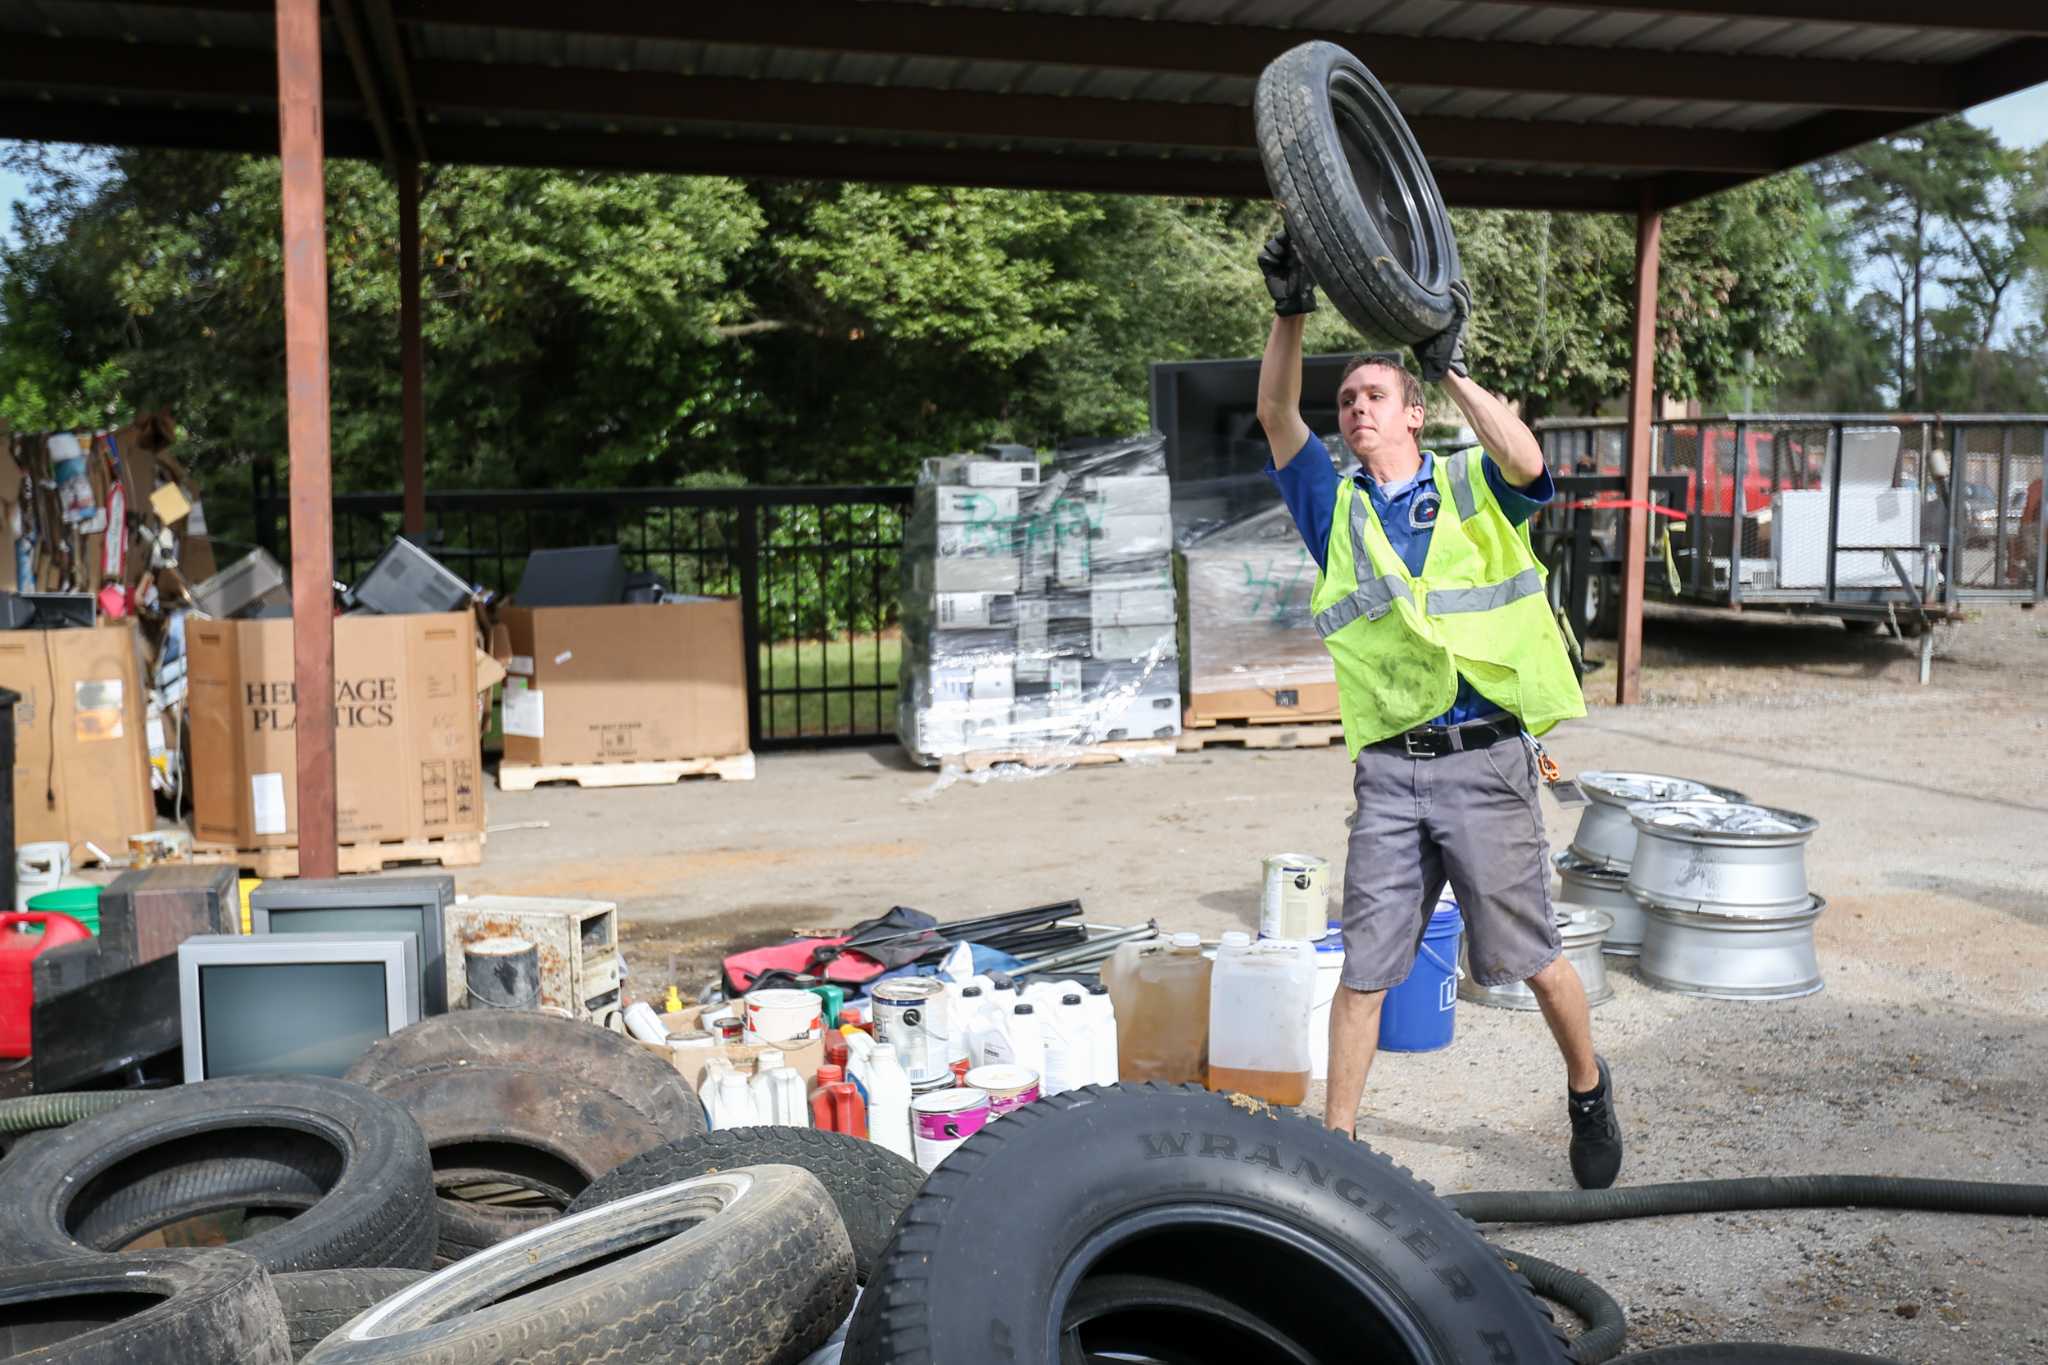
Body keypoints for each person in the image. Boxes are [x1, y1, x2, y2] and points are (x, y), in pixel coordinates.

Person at [1253, 231, 1623, 1189]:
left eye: (1373, 396)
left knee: (1531, 959)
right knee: (1365, 968)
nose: (1355, 410)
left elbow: (1530, 458)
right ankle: (1338, 1153)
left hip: (1486, 759)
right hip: (1389, 770)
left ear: (1411, 411)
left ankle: (1587, 1084)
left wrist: (1449, 363)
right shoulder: (1333, 507)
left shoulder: (1466, 483)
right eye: (1348, 401)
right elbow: (1274, 411)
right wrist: (1290, 308)